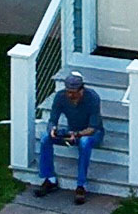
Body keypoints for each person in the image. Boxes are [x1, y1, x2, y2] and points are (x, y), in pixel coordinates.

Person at [34, 69, 102, 202]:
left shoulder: (92, 98)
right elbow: (53, 119)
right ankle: (50, 179)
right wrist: (52, 129)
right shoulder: (60, 97)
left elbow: (93, 128)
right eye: (68, 92)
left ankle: (81, 185)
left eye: (74, 93)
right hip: (72, 131)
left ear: (81, 90)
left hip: (91, 133)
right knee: (45, 138)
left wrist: (76, 134)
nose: (70, 95)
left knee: (84, 142)